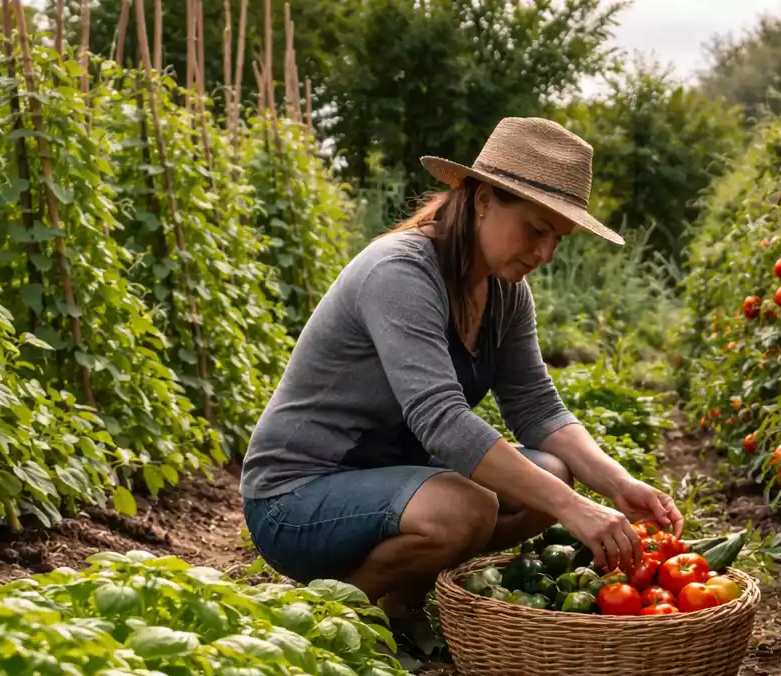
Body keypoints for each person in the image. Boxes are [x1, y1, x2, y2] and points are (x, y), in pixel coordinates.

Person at [239, 116, 683, 646]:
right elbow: (441, 422)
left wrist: (616, 483)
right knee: (467, 505)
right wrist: (577, 510)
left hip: (387, 482)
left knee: (549, 477)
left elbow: (538, 407)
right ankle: (334, 618)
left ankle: (402, 601)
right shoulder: (399, 273)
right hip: (295, 498)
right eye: (537, 229)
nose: (545, 254)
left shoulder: (504, 294)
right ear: (481, 200)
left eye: (558, 239)